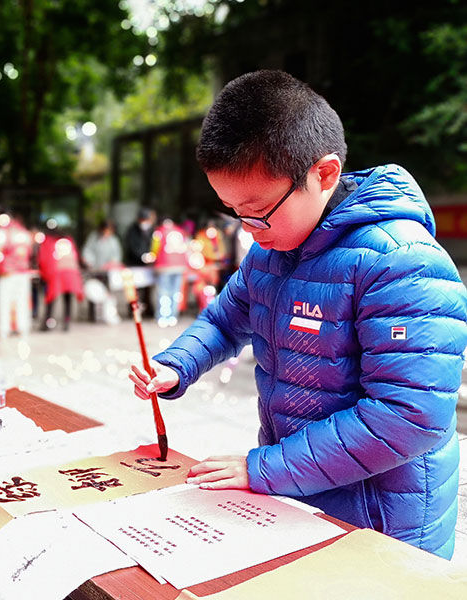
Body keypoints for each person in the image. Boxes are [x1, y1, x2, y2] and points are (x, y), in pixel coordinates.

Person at [130, 70, 467, 559]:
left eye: (259, 210)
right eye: (234, 212)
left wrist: (263, 469)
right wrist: (174, 365)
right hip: (300, 496)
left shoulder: (401, 262)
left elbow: (410, 417)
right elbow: (226, 320)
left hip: (382, 522)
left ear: (323, 174)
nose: (248, 230)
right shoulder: (270, 251)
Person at [0, 208, 34, 339]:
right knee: (22, 301)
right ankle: (23, 327)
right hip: (23, 272)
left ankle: (4, 329)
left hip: (7, 273)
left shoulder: (1, 233)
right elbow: (30, 251)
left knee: (4, 301)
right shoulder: (23, 232)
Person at [37, 225, 84, 331]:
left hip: (56, 273)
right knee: (67, 299)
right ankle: (66, 322)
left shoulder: (48, 241)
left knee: (51, 298)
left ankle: (48, 322)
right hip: (71, 272)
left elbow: (44, 259)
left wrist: (45, 275)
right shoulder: (68, 240)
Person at [81, 220, 123, 324]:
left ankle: (108, 315)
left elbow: (116, 255)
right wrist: (89, 262)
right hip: (94, 270)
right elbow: (87, 251)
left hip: (108, 271)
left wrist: (111, 264)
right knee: (93, 291)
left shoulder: (113, 240)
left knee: (109, 294)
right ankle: (93, 315)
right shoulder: (93, 238)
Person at [151, 217, 189, 326]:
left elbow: (155, 249)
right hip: (180, 266)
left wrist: (152, 257)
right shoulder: (180, 232)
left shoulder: (159, 232)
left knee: (163, 292)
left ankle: (163, 316)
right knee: (176, 292)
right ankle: (173, 316)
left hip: (164, 265)